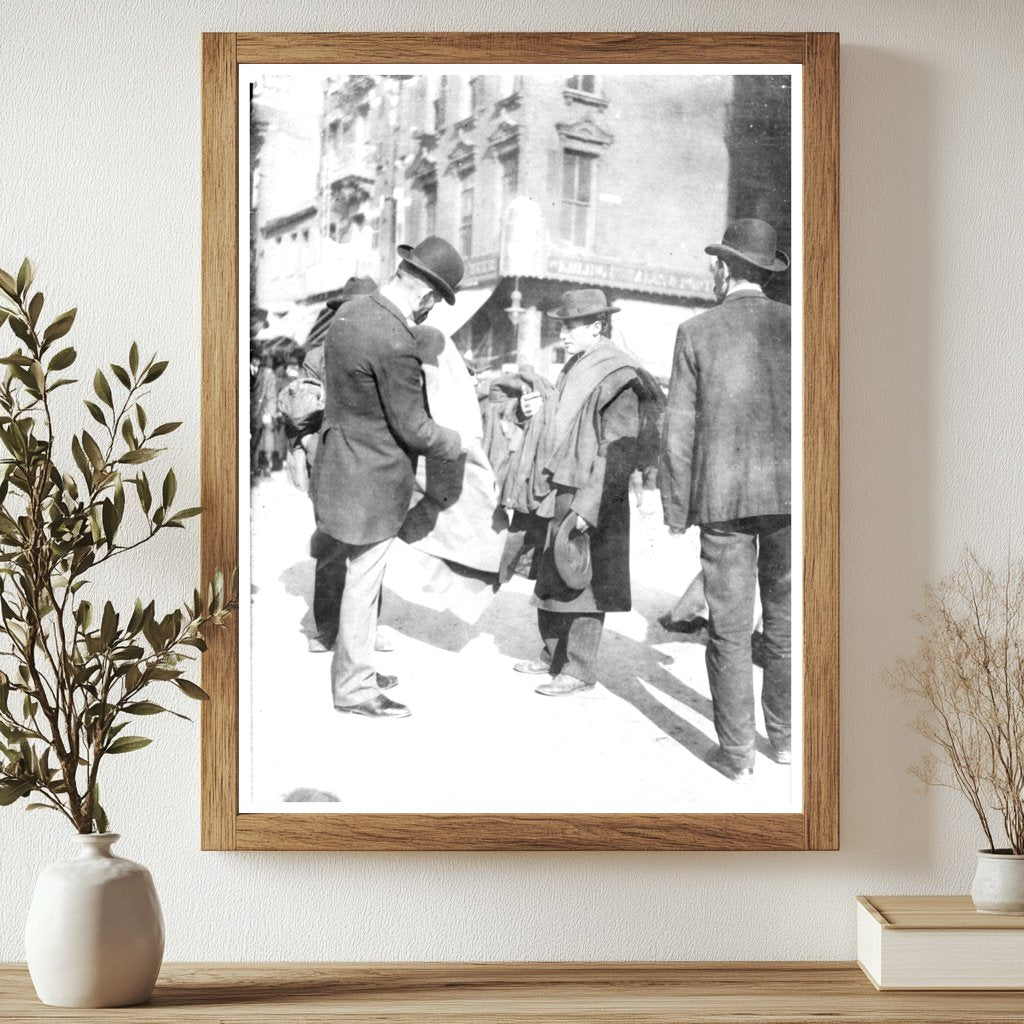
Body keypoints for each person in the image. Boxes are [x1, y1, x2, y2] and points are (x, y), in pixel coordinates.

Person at [659, 218, 792, 783]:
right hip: (792, 498)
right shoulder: (800, 328)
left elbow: (678, 428)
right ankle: (784, 741)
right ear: (765, 273)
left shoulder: (696, 331)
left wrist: (674, 506)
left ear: (725, 268)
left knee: (730, 629)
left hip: (722, 499)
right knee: (785, 623)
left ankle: (737, 757)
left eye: (716, 263)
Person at [313, 237, 466, 719]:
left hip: (339, 461)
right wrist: (460, 443)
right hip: (375, 478)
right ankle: (355, 688)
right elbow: (415, 429)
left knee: (354, 573)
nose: (428, 311)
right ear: (426, 295)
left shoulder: (350, 312)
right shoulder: (396, 340)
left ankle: (355, 665)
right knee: (364, 580)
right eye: (434, 302)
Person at [500, 289, 660, 697]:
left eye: (570, 327)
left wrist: (590, 506)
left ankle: (578, 669)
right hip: (562, 487)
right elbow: (557, 420)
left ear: (595, 326)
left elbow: (618, 447)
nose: (564, 334)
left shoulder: (618, 374)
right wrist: (532, 410)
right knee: (555, 572)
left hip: (595, 491)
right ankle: (551, 655)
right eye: (561, 326)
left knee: (585, 581)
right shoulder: (576, 366)